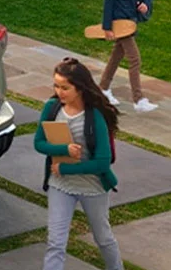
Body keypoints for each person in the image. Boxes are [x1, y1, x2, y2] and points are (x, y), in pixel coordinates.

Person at [35, 57, 123, 270]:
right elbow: (38, 142)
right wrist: (63, 150)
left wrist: (66, 167)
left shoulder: (96, 116)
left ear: (80, 87)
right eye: (56, 86)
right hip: (60, 185)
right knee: (55, 242)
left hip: (91, 187)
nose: (59, 92)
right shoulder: (52, 108)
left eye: (65, 87)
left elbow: (102, 163)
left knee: (103, 238)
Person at [98, 0, 157, 113]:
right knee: (134, 59)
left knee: (116, 56)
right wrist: (107, 27)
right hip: (120, 21)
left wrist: (146, 2)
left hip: (132, 19)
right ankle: (138, 100)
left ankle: (103, 88)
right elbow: (108, 1)